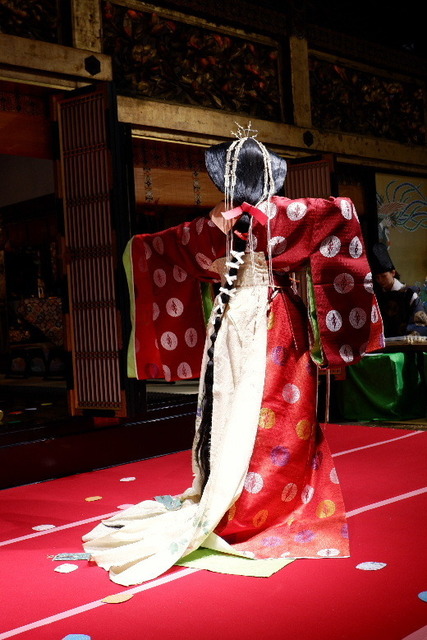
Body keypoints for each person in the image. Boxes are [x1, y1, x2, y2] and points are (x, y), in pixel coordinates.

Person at [82, 126, 384, 586]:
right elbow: (339, 214)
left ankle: (232, 495)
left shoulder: (209, 226)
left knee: (230, 409)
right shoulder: (287, 215)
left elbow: (151, 248)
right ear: (270, 177)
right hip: (276, 322)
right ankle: (272, 502)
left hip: (228, 323)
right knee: (280, 411)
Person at [370, 242, 424, 337]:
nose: (380, 280)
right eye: (377, 277)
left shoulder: (409, 295)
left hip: (406, 342)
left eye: (383, 276)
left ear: (393, 273)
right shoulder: (377, 296)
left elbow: (420, 323)